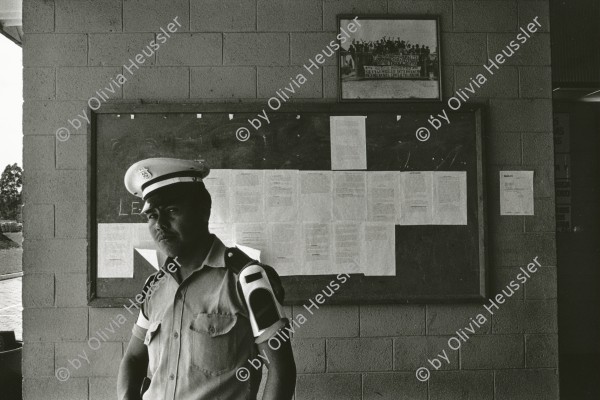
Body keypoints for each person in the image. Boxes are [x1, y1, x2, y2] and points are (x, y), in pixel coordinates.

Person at [117, 158, 296, 400]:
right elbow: (134, 357)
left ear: (203, 211)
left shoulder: (247, 279)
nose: (160, 224)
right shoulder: (155, 286)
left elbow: (281, 369)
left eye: (171, 211)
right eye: (152, 215)